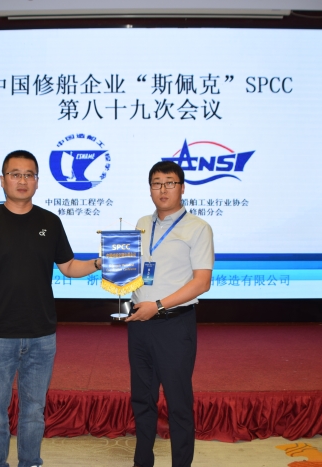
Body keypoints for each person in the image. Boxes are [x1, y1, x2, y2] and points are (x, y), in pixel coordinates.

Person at [0, 150, 102, 467]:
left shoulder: (50, 222)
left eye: (29, 175)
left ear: (37, 182)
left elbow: (68, 267)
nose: (22, 180)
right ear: (3, 181)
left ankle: (30, 462)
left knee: (34, 410)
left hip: (41, 335)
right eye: (15, 174)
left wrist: (97, 263)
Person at [125, 161, 214, 467]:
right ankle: (142, 462)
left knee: (178, 404)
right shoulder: (141, 223)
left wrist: (159, 305)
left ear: (182, 187)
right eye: (156, 183)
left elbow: (202, 282)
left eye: (170, 183)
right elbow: (132, 270)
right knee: (142, 400)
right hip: (139, 323)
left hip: (174, 325)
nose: (163, 189)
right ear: (150, 188)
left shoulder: (198, 228)